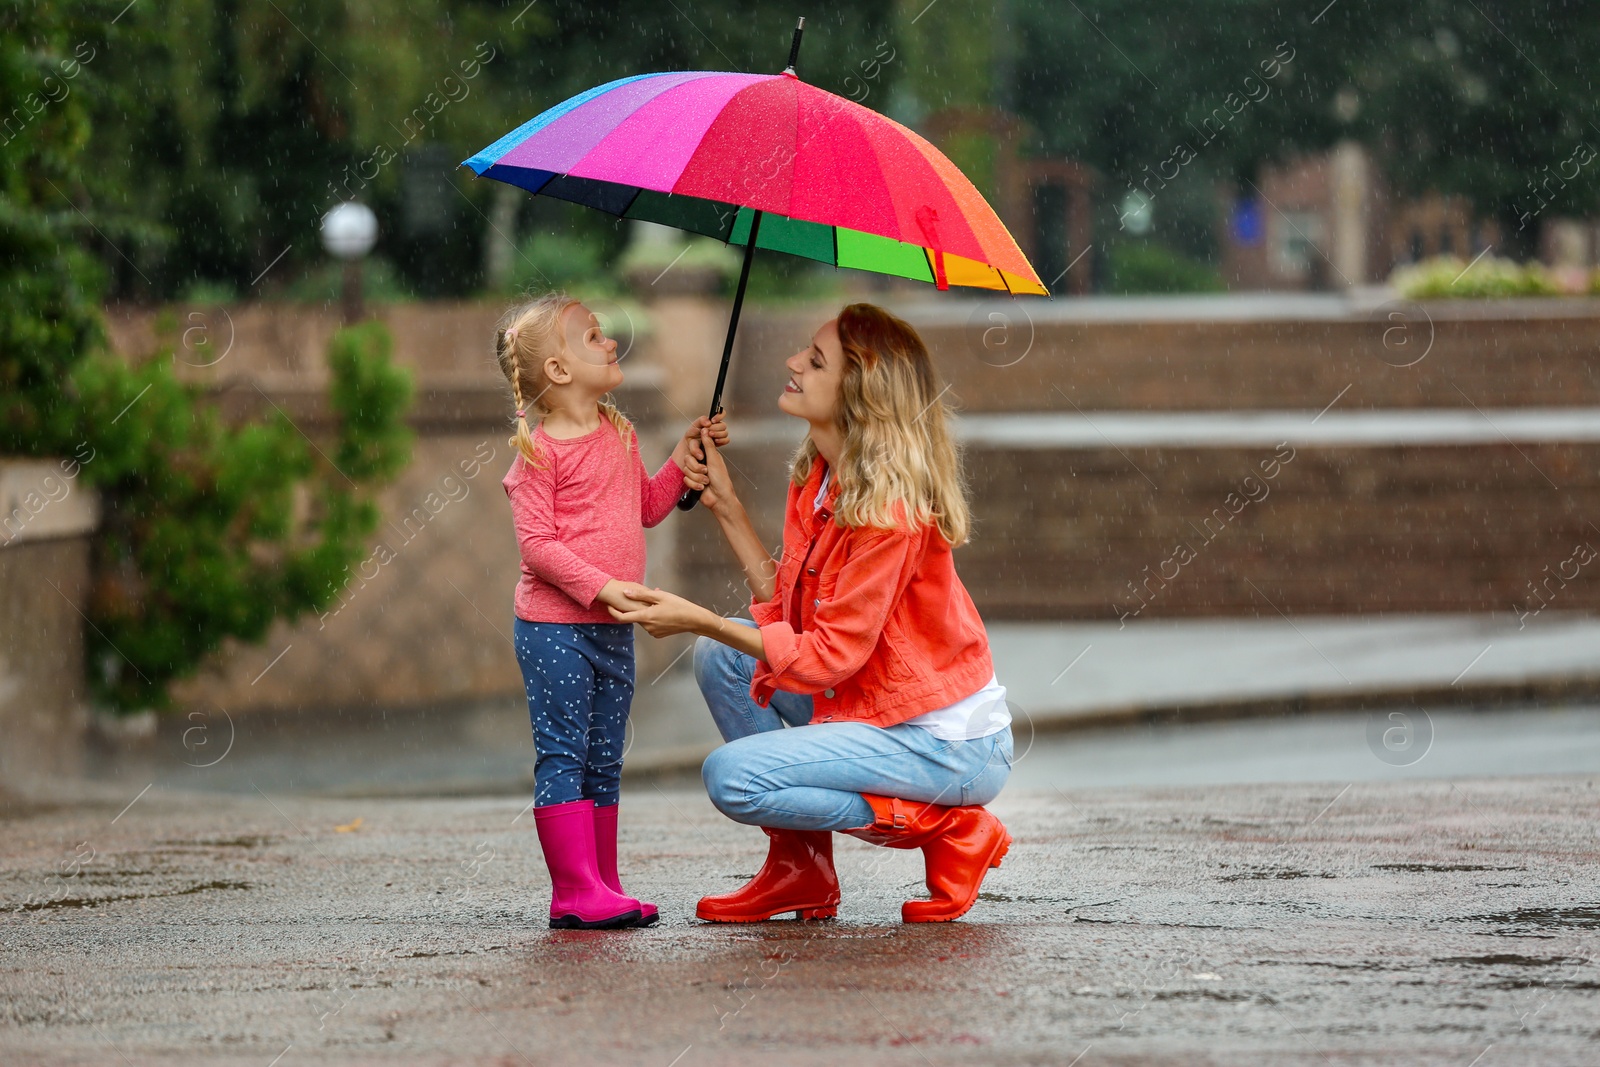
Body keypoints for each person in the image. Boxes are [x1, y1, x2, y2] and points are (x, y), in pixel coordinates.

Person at [609, 302, 1014, 924]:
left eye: (816, 361)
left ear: (859, 396)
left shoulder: (889, 513)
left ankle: (951, 830)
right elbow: (795, 619)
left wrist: (698, 618)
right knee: (722, 658)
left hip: (946, 745)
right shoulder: (823, 477)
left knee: (733, 778)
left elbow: (826, 658)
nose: (794, 362)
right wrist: (725, 505)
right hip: (872, 705)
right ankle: (802, 870)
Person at [496, 292, 726, 929]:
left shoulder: (619, 435)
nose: (610, 342)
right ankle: (572, 892)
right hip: (555, 629)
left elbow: (646, 508)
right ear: (560, 372)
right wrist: (600, 587)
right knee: (564, 754)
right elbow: (538, 548)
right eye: (592, 336)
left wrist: (682, 459)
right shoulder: (538, 456)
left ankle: (601, 882)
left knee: (604, 755)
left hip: (610, 632)